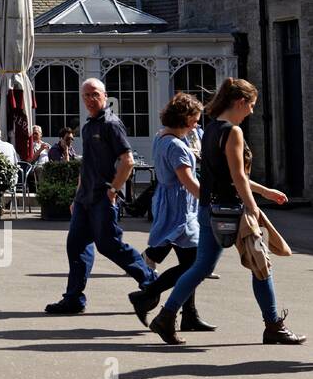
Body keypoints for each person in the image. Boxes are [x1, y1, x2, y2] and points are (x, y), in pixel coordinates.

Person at [148, 79, 304, 345]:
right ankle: (273, 326)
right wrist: (253, 208)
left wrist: (264, 191)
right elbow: (237, 177)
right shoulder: (233, 132)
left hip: (209, 207)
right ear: (240, 102)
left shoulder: (210, 130)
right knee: (260, 265)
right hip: (231, 210)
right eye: (251, 105)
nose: (252, 112)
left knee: (201, 267)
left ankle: (166, 316)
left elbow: (225, 175)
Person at [45, 78, 157, 315]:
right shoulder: (88, 126)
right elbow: (87, 165)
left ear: (105, 96)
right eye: (86, 95)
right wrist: (77, 198)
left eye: (94, 94)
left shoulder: (111, 124)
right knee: (76, 246)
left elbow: (128, 161)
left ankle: (150, 282)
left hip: (102, 199)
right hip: (85, 199)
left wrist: (114, 189)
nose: (90, 99)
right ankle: (74, 298)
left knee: (109, 245)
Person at [128, 94, 212, 331]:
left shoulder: (161, 137)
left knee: (190, 263)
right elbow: (188, 182)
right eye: (195, 120)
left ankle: (189, 315)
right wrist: (209, 202)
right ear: (184, 118)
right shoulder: (176, 146)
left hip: (169, 206)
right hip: (180, 212)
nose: (196, 124)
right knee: (196, 265)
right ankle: (146, 296)